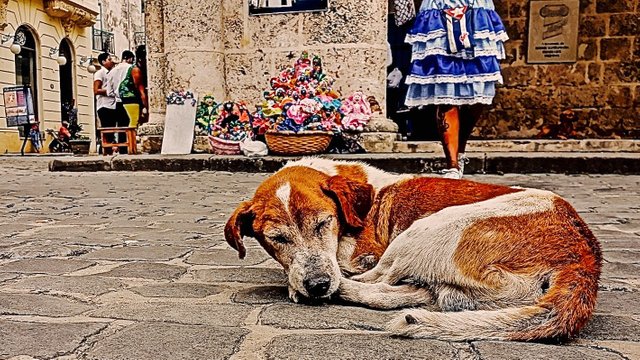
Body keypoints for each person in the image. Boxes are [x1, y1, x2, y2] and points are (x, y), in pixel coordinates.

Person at [404, 0, 508, 179]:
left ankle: (460, 149)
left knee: (478, 97)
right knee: (445, 93)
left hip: (476, 13)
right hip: (439, 13)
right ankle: (452, 164)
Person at [93, 52, 117, 127]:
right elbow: (96, 90)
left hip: (113, 105)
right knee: (107, 129)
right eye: (109, 59)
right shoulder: (100, 73)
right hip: (104, 105)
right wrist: (110, 91)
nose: (112, 62)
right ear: (103, 62)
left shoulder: (113, 73)